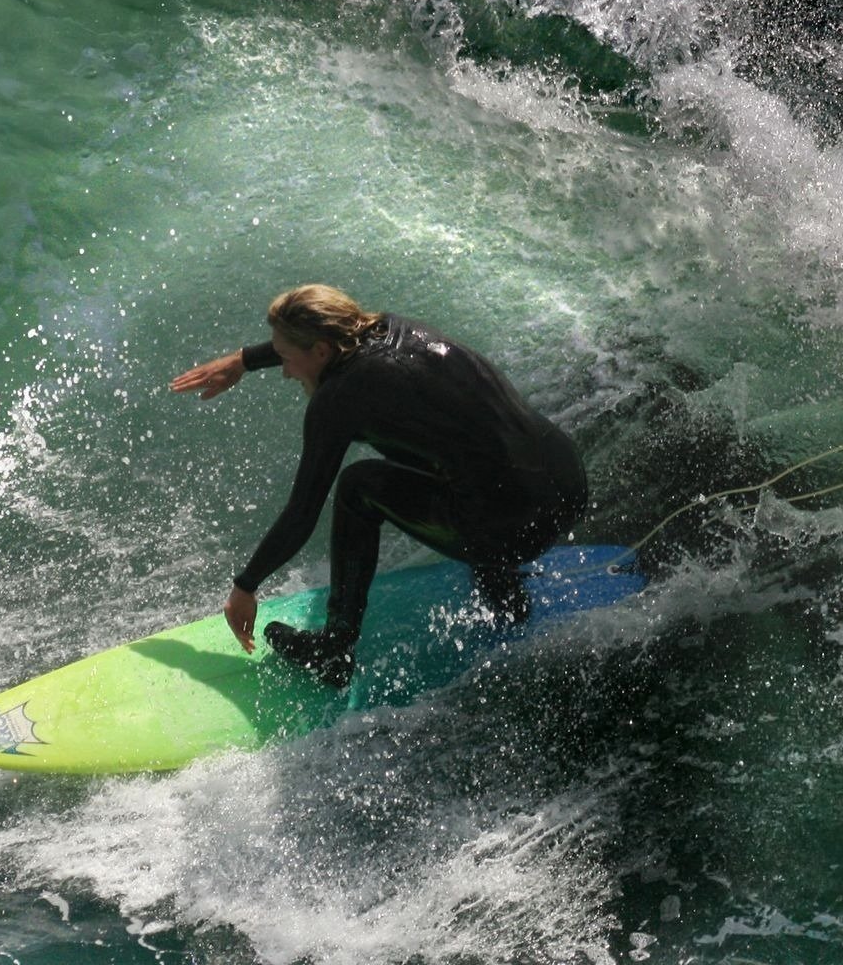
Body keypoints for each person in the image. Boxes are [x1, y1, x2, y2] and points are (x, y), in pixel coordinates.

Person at [169, 284, 588, 688]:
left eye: (285, 358)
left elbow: (302, 514)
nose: (284, 372)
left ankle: (335, 649)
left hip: (511, 531)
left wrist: (245, 586)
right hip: (567, 488)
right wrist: (243, 360)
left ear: (319, 352)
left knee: (357, 487)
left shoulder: (337, 401)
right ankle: (504, 588)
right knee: (459, 449)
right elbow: (328, 339)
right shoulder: (396, 328)